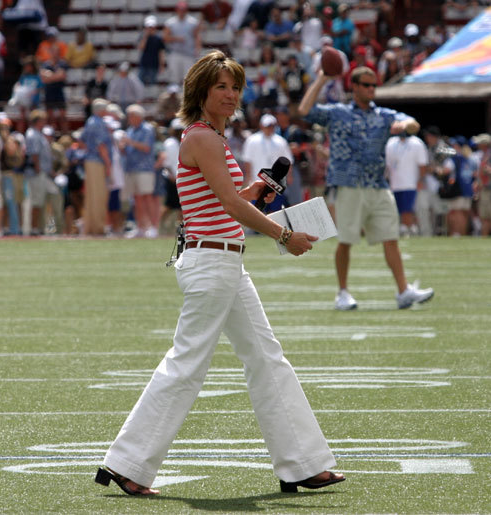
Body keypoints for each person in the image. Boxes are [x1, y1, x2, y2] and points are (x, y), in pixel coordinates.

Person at [97, 49, 344, 497]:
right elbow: (231, 205)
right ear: (201, 92)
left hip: (224, 260)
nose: (231, 95)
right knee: (188, 364)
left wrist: (258, 191)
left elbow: (228, 198)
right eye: (221, 87)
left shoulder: (211, 137)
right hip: (212, 263)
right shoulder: (203, 138)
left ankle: (302, 464)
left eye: (235, 87)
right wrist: (283, 235)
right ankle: (128, 464)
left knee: (267, 359)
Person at [298, 66, 434, 310]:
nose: (372, 89)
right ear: (355, 87)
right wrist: (322, 78)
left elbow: (409, 121)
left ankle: (403, 291)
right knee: (346, 240)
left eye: (374, 85)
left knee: (391, 237)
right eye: (367, 85)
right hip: (349, 185)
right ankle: (342, 292)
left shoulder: (383, 114)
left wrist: (408, 127)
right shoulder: (338, 112)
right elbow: (304, 110)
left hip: (378, 185)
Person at [121, 104, 157, 239]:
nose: (129, 118)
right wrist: (123, 147)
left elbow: (146, 148)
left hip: (144, 169)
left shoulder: (147, 129)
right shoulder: (130, 130)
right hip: (131, 168)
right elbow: (129, 149)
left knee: (147, 197)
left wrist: (130, 142)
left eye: (131, 115)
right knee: (136, 199)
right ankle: (140, 227)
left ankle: (153, 227)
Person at [385, 127, 429, 236]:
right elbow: (387, 164)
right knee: (398, 209)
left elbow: (422, 164)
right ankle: (405, 229)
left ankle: (409, 229)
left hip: (411, 183)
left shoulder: (417, 143)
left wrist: (421, 179)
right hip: (395, 183)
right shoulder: (391, 142)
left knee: (408, 209)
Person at [80, 98, 112, 236]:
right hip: (97, 162)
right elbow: (101, 146)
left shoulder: (90, 121)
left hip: (90, 161)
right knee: (99, 196)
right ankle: (98, 228)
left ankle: (90, 227)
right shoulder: (98, 123)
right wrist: (108, 164)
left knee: (91, 196)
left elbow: (81, 141)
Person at [25, 109, 52, 235]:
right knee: (36, 201)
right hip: (36, 173)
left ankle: (39, 227)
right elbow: (34, 154)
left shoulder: (37, 133)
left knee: (40, 201)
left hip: (41, 172)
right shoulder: (33, 134)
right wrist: (38, 169)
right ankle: (34, 228)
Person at [162, 1, 202, 87]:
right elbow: (165, 38)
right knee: (174, 78)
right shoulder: (170, 23)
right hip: (175, 53)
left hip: (188, 54)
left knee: (188, 78)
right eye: (180, 9)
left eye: (183, 10)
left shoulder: (193, 22)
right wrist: (176, 39)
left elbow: (197, 37)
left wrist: (197, 51)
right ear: (176, 10)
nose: (182, 11)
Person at [137, 15, 166, 86]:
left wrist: (161, 65)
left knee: (152, 84)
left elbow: (161, 53)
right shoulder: (143, 37)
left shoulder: (158, 39)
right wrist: (145, 36)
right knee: (140, 84)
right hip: (144, 64)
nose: (150, 29)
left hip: (154, 65)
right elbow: (141, 48)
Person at [473, 133, 491, 236]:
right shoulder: (483, 155)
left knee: (487, 216)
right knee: (484, 216)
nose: (477, 144)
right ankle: (484, 239)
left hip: (489, 189)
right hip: (484, 188)